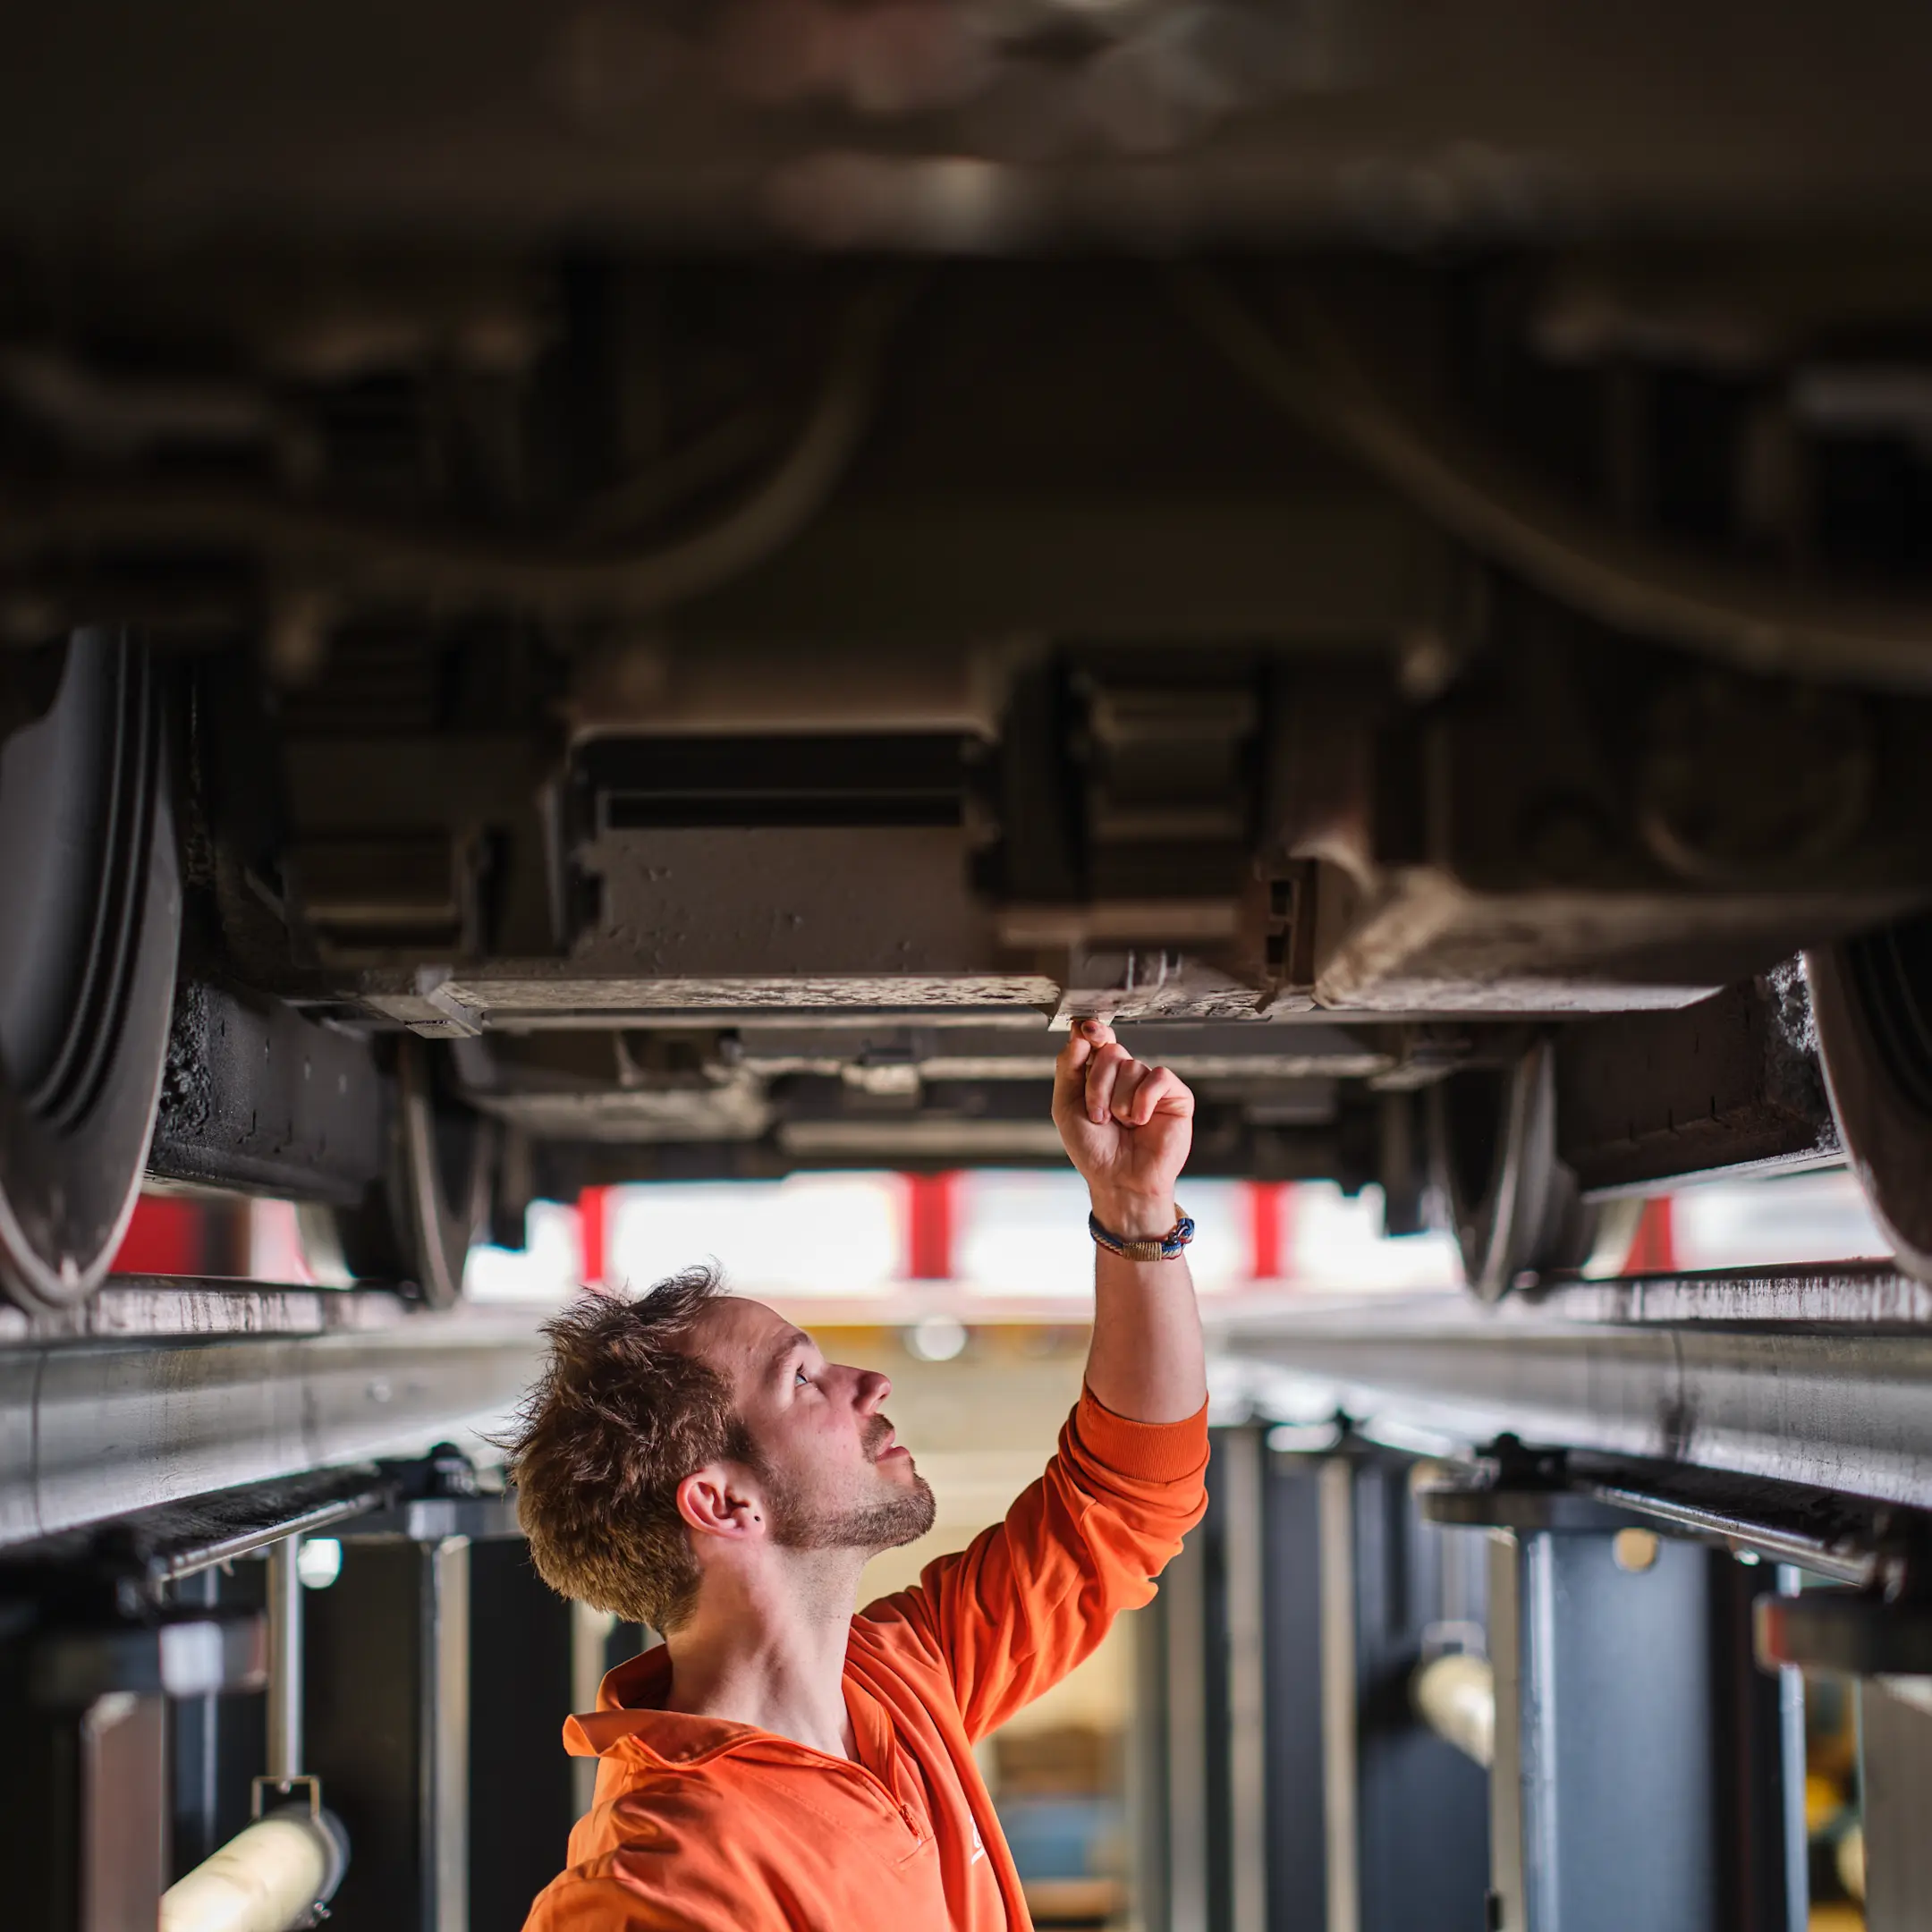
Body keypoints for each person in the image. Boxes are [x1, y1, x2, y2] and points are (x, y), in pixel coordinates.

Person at [510, 1018, 1208, 1932]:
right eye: (801, 1380)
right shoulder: (657, 1886)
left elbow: (1124, 1498)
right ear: (722, 1503)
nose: (869, 1383)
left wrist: (1135, 1210)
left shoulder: (895, 1682)